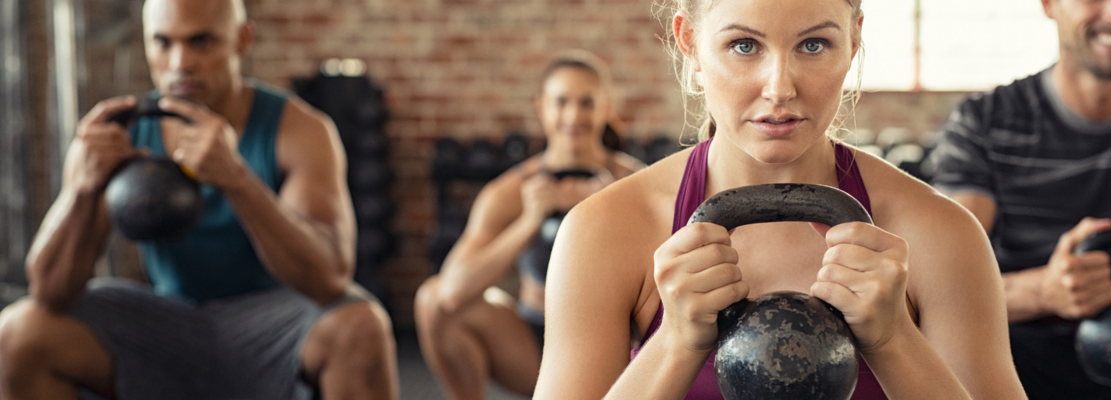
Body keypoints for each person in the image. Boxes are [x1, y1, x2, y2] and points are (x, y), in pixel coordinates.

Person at [532, 0, 1030, 399]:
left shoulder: (940, 233)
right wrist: (675, 344)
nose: (780, 87)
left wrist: (893, 340)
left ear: (853, 41)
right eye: (744, 45)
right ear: (690, 43)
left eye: (814, 44)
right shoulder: (605, 229)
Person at [0, 0, 398, 399]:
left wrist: (238, 180)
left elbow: (329, 279)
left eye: (201, 42)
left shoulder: (301, 131)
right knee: (18, 333)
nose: (180, 62)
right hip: (162, 325)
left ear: (242, 40)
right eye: (162, 42)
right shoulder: (120, 133)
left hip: (274, 324)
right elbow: (51, 292)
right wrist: (82, 191)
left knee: (362, 327)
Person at [930, 0, 1111, 398]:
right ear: (1049, 4)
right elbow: (937, 290)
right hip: (1018, 376)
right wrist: (1044, 291)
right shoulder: (984, 123)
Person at [414, 51, 645, 400]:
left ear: (606, 107)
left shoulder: (637, 183)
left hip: (618, 343)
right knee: (430, 299)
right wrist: (529, 220)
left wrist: (606, 213)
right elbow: (450, 293)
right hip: (534, 339)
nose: (573, 115)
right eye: (561, 102)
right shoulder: (508, 192)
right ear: (541, 107)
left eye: (586, 103)